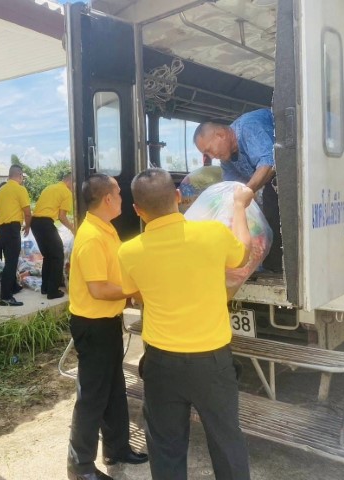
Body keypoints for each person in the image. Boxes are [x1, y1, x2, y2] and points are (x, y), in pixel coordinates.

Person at [118, 168, 252, 480]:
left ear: (137, 210)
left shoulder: (129, 252)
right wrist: (239, 206)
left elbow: (136, 294)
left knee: (166, 447)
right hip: (213, 362)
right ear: (178, 197)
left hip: (161, 364)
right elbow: (243, 254)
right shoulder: (213, 234)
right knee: (227, 441)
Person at [67, 173, 148, 480]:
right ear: (108, 199)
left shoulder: (105, 228)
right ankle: (80, 467)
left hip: (107, 322)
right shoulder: (91, 237)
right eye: (119, 194)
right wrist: (134, 291)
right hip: (93, 326)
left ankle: (117, 448)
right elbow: (98, 289)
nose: (123, 199)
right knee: (92, 397)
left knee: (114, 390)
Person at [193, 108, 282, 273]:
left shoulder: (248, 126)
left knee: (273, 211)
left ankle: (276, 268)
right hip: (270, 185)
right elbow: (232, 188)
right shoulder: (226, 160)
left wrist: (246, 193)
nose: (211, 156)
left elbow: (269, 164)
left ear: (220, 134)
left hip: (289, 177)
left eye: (209, 150)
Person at [31, 172, 74, 299]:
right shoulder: (66, 192)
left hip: (35, 223)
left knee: (48, 257)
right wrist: (73, 229)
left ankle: (45, 288)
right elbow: (62, 217)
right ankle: (53, 291)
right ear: (70, 181)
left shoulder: (49, 188)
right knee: (58, 256)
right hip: (45, 224)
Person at [0, 165, 31, 307]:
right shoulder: (20, 189)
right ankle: (5, 297)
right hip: (12, 229)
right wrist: (27, 226)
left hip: (2, 229)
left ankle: (13, 286)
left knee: (10, 261)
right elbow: (27, 212)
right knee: (11, 263)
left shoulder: (1, 190)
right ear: (20, 175)